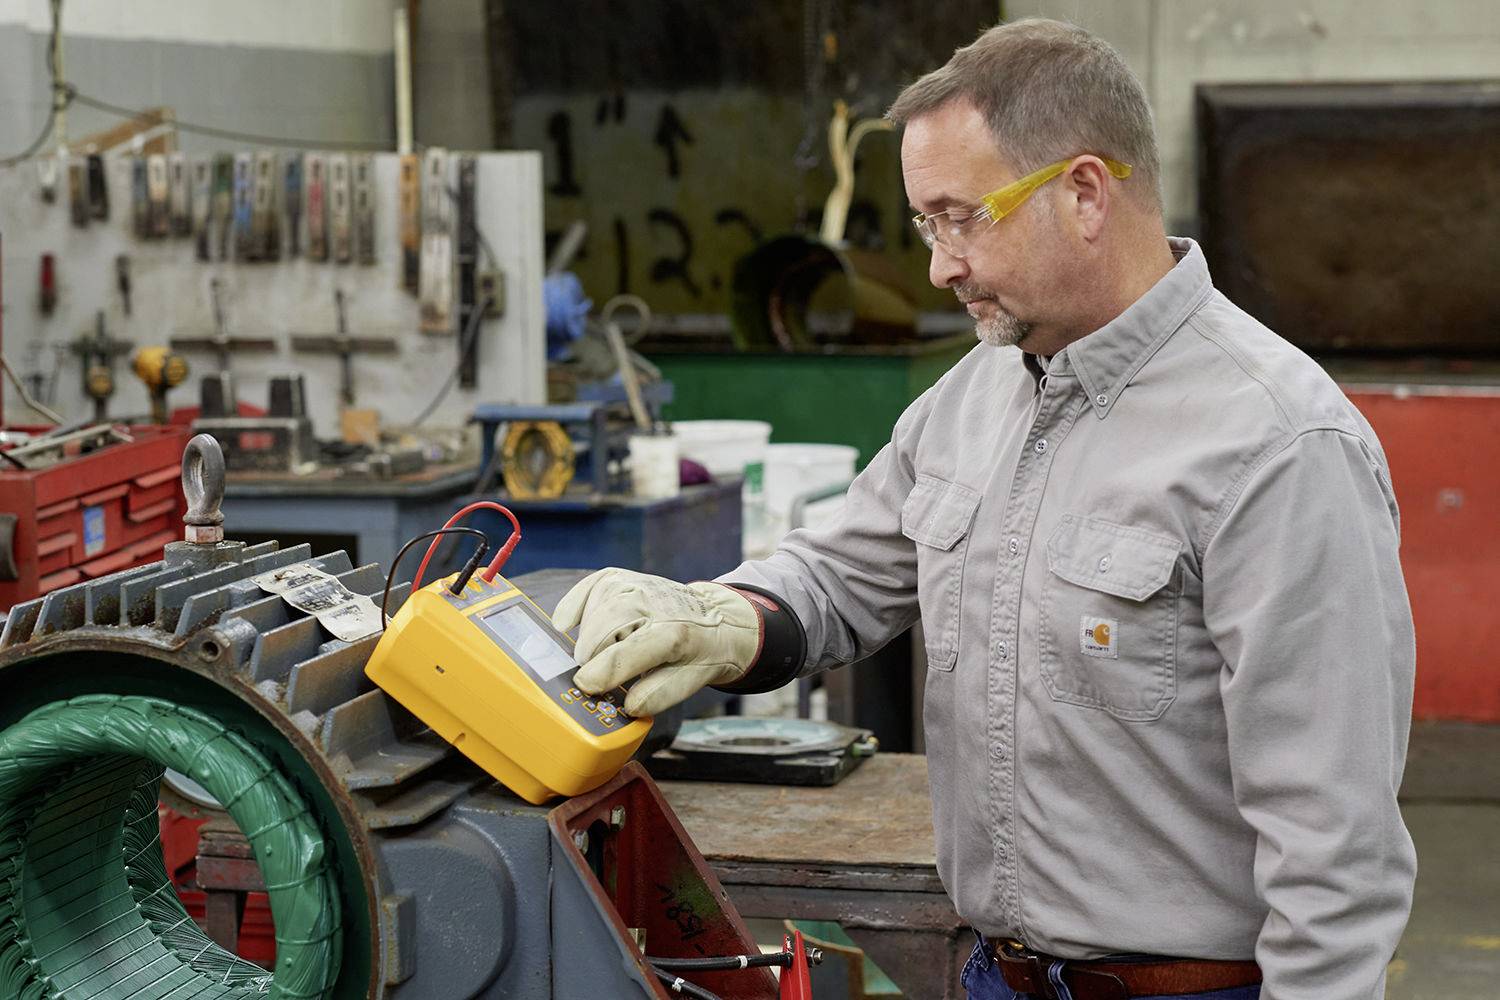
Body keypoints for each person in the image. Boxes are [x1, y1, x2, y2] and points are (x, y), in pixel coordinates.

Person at [553, 18, 1416, 1000]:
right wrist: (718, 616)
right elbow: (842, 571)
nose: (938, 268)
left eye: (961, 218)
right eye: (928, 225)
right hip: (993, 977)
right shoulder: (973, 397)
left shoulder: (1278, 443)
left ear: (1084, 192)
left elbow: (1334, 840)